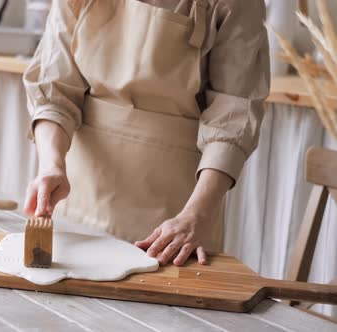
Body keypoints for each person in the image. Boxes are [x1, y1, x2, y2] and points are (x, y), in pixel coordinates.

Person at [23, 0, 270, 266]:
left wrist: (197, 215)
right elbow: (53, 92)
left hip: (177, 218)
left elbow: (232, 118)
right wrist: (52, 166)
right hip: (80, 201)